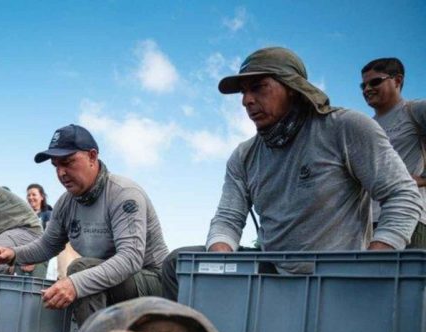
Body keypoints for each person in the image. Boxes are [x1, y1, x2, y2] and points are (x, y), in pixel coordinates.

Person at [160, 47, 422, 301]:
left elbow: (402, 195)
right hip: (273, 271)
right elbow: (228, 219)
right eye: (243, 92)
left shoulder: (344, 127)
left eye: (258, 87)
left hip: (336, 275)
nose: (246, 100)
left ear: (293, 89)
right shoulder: (243, 156)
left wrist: (371, 264)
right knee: (177, 263)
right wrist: (219, 260)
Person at [0, 124, 169, 325]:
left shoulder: (123, 194)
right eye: (56, 166)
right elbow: (47, 245)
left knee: (80, 270)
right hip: (111, 281)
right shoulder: (66, 203)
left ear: (92, 157)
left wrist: (75, 284)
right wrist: (13, 254)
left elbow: (130, 258)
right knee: (82, 273)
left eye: (68, 162)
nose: (61, 173)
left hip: (151, 281)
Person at [361, 57, 426, 248]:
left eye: (375, 82)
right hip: (368, 224)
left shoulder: (414, 110)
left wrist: (422, 180)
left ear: (397, 80)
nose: (367, 89)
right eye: (362, 85)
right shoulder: (366, 126)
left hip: (409, 219)